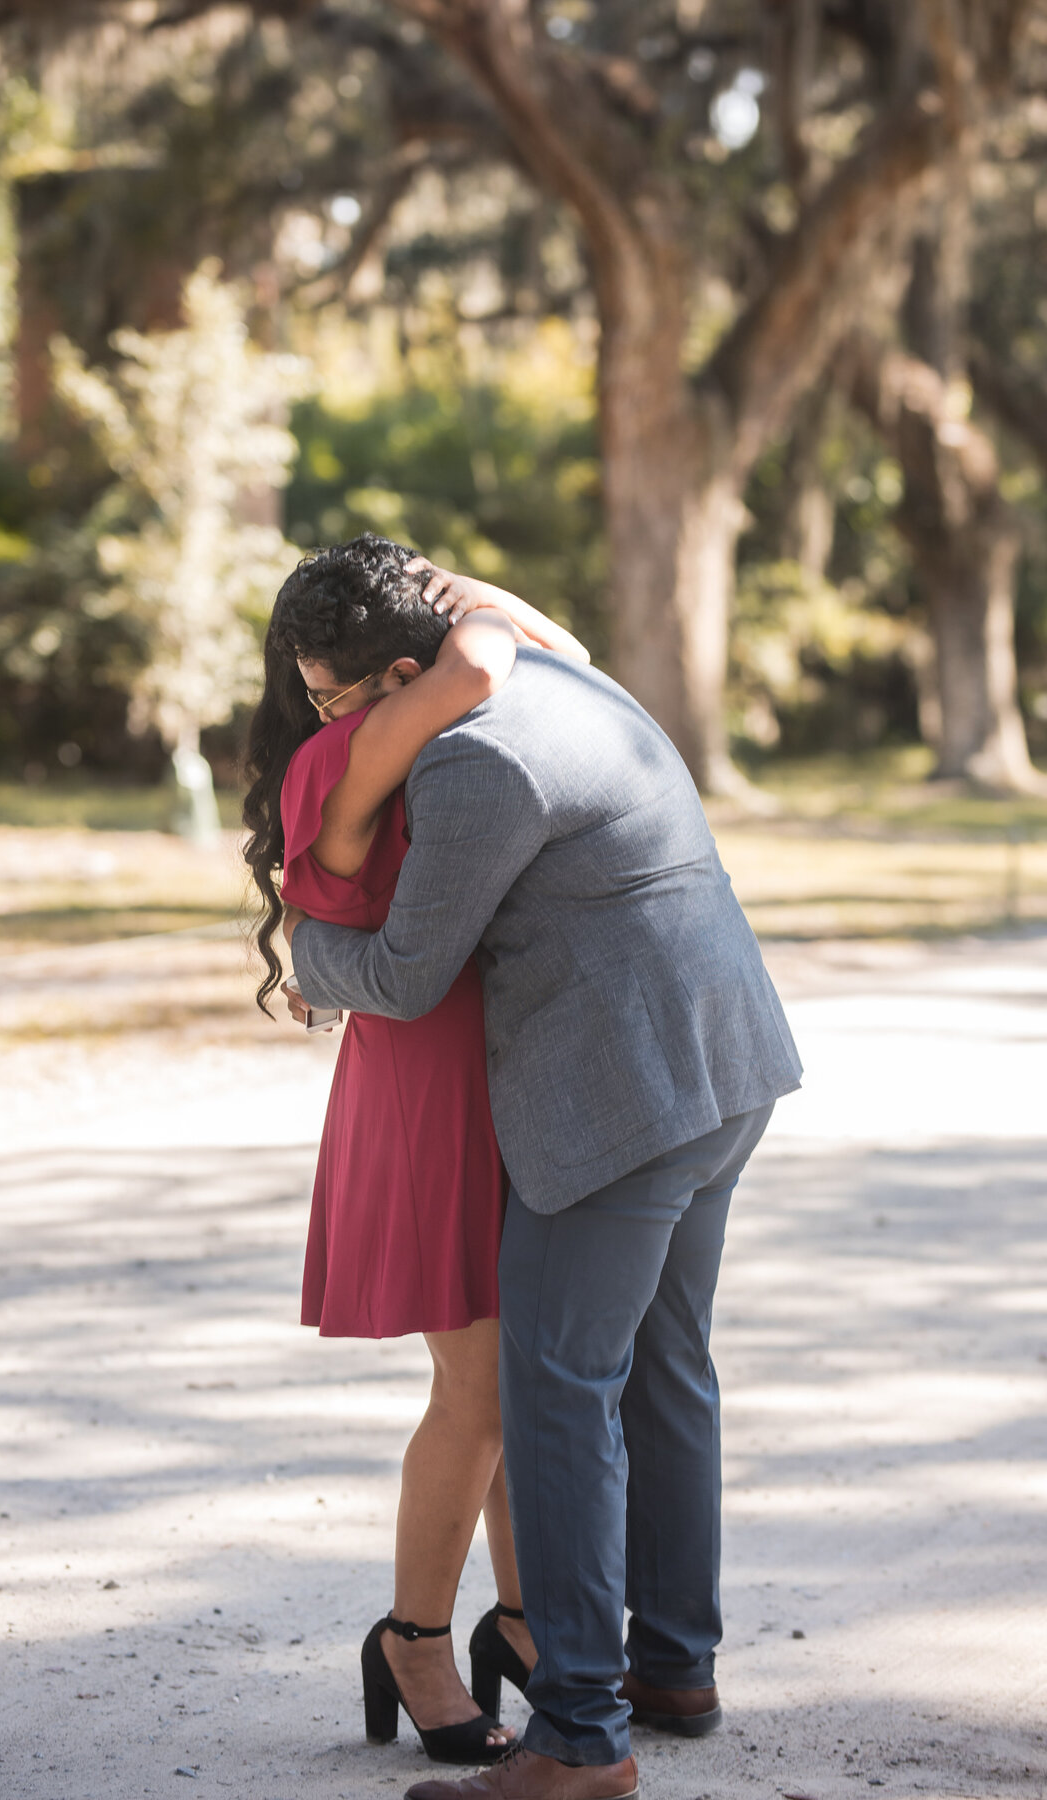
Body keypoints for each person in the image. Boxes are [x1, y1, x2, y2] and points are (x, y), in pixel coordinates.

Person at [284, 550, 804, 1800]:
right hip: (727, 1062)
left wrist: (309, 954)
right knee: (669, 1369)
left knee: (560, 1392)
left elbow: (406, 975)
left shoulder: (471, 761)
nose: (337, 729)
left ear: (403, 680)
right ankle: (675, 1667)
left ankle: (579, 1737)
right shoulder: (577, 681)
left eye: (338, 702)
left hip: (619, 1103)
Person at [242, 534, 588, 1766]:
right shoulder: (361, 746)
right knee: (481, 1387)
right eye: (315, 692)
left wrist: (440, 603)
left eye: (328, 689)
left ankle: (528, 1623)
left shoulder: (403, 721)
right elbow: (502, 663)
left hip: (484, 1068)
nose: (315, 712)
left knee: (515, 1376)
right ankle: (416, 1640)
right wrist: (464, 601)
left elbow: (568, 659)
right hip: (421, 1084)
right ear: (408, 666)